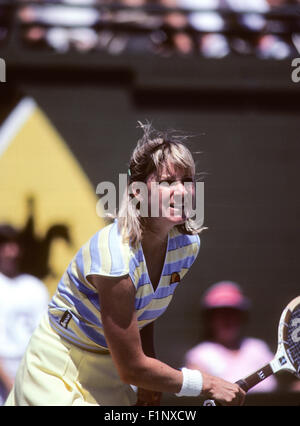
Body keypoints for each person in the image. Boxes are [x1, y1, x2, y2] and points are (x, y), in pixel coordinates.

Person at [5, 123, 245, 406]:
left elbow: (143, 314)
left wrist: (150, 380)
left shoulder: (187, 247)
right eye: (168, 182)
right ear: (138, 193)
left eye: (187, 181)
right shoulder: (115, 256)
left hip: (112, 369)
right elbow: (131, 366)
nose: (181, 191)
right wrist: (206, 383)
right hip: (58, 366)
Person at [184, 281, 277, 393]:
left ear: (242, 317)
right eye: (221, 314)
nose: (227, 320)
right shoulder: (199, 355)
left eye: (232, 313)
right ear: (209, 319)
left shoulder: (258, 348)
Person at [0, 225, 49, 405]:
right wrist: (10, 384)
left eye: (14, 245)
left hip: (33, 370)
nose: (10, 252)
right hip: (5, 374)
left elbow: (45, 335)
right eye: (4, 246)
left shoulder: (35, 286)